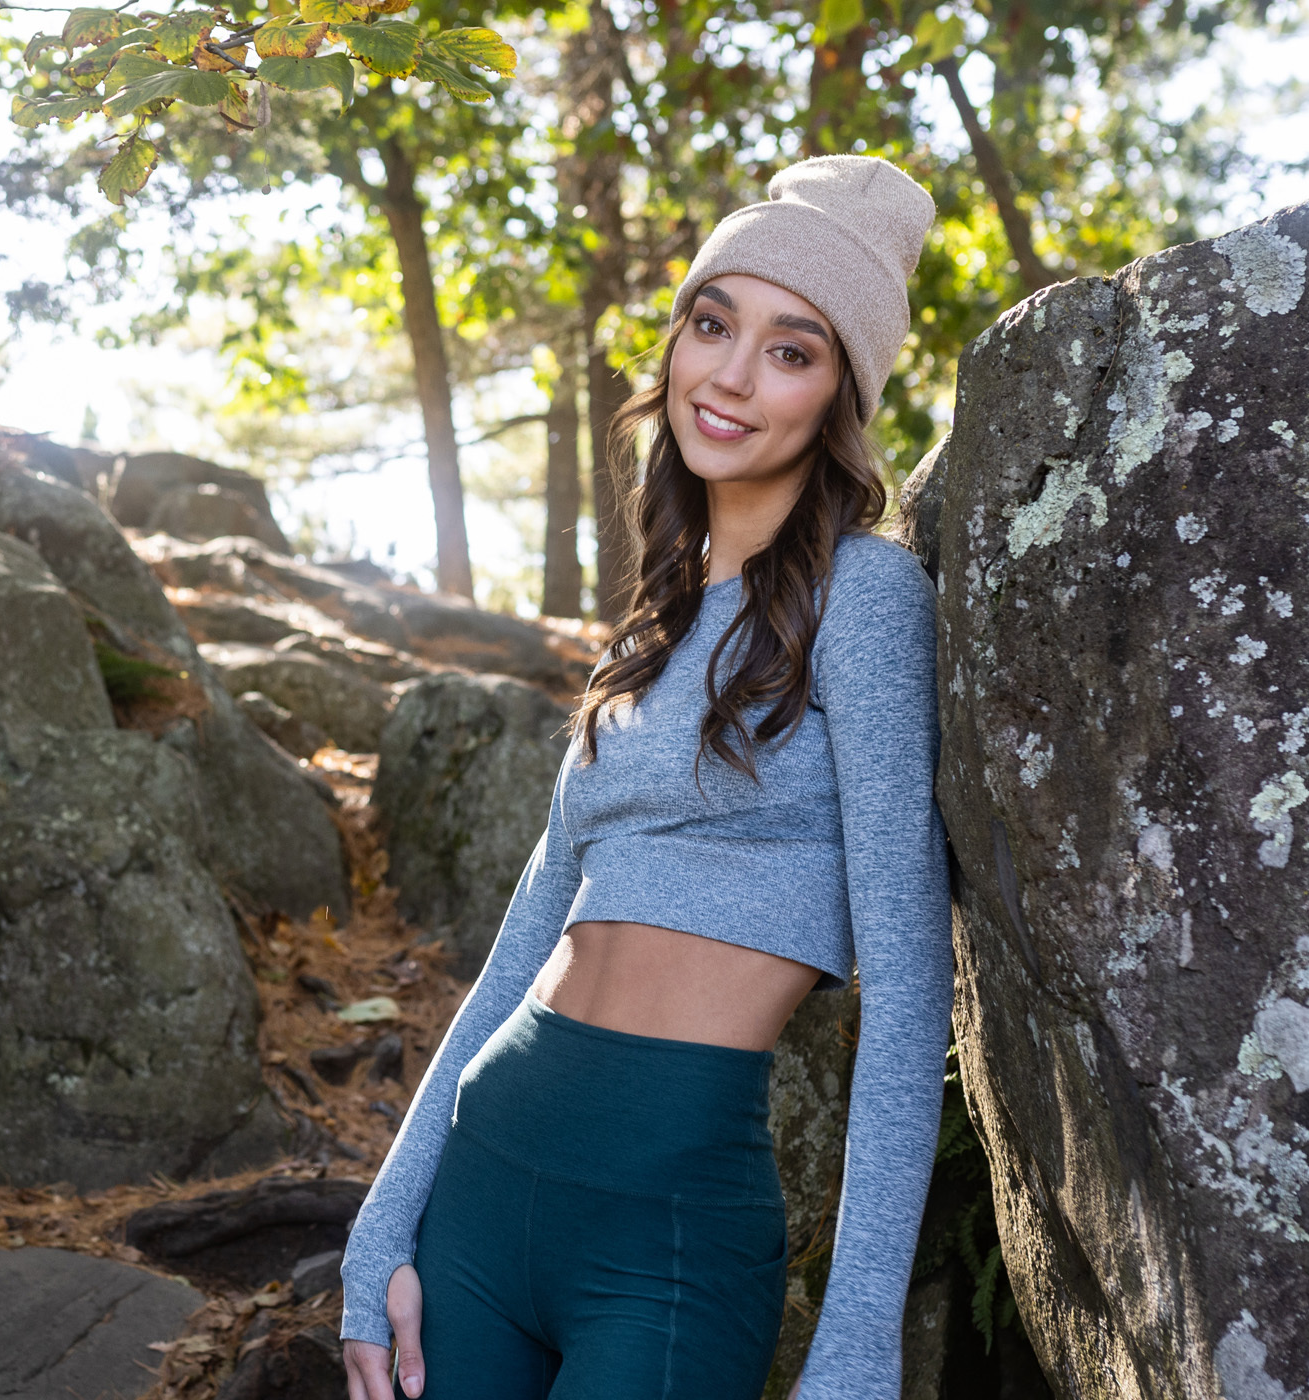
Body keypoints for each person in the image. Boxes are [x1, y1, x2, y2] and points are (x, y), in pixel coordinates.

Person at [337, 154, 952, 1400]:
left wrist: (856, 1341)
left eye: (792, 349)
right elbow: (522, 942)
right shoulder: (648, 633)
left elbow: (909, 979)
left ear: (841, 393)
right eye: (713, 325)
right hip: (487, 1179)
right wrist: (380, 1226)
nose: (730, 375)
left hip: (670, 1232)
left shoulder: (866, 597)